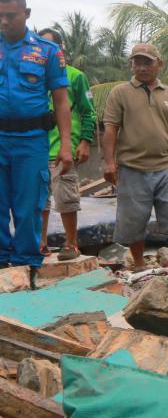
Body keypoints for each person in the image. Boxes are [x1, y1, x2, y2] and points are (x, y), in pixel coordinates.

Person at [0, 0, 74, 283]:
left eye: (11, 16)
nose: (4, 22)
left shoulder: (47, 52)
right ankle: (3, 262)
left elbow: (61, 101)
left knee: (29, 206)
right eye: (0, 16)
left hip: (31, 141)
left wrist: (66, 144)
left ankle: (26, 264)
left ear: (27, 14)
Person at [101, 43, 168, 270]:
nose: (141, 67)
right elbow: (110, 129)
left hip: (166, 166)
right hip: (131, 167)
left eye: (147, 62)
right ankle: (139, 264)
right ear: (131, 64)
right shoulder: (119, 93)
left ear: (159, 64)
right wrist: (109, 162)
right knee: (133, 219)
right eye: (136, 62)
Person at [37, 28, 96, 261]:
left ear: (59, 50)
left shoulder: (75, 76)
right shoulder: (32, 78)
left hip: (64, 149)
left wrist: (85, 142)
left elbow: (88, 112)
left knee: (66, 199)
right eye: (40, 46)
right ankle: (41, 244)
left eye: (49, 46)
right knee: (39, 200)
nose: (44, 51)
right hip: (36, 148)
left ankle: (71, 244)